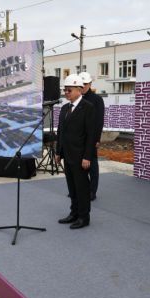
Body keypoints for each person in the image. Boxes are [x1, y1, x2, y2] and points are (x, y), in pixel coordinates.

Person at [55, 74, 96, 229]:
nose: (66, 93)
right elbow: (61, 131)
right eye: (65, 90)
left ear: (79, 90)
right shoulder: (65, 108)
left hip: (80, 157)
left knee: (82, 188)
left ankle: (84, 217)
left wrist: (87, 157)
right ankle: (74, 213)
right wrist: (58, 152)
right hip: (68, 155)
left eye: (69, 90)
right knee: (72, 187)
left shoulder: (88, 108)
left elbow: (91, 135)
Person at [79, 71, 105, 201]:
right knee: (80, 166)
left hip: (91, 139)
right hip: (79, 139)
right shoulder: (77, 99)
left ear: (89, 84)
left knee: (92, 166)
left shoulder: (97, 99)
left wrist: (97, 139)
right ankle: (81, 190)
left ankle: (92, 191)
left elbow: (99, 120)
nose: (82, 86)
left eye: (85, 84)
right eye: (81, 83)